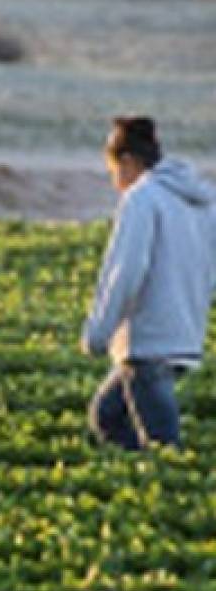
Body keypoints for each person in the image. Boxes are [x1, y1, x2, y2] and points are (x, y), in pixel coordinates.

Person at [81, 116, 216, 450]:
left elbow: (125, 272)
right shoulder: (201, 199)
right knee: (107, 415)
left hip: (149, 342)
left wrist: (98, 334)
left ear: (127, 161)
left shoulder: (142, 198)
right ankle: (139, 483)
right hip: (182, 336)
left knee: (163, 446)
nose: (116, 184)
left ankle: (168, 492)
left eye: (114, 172)